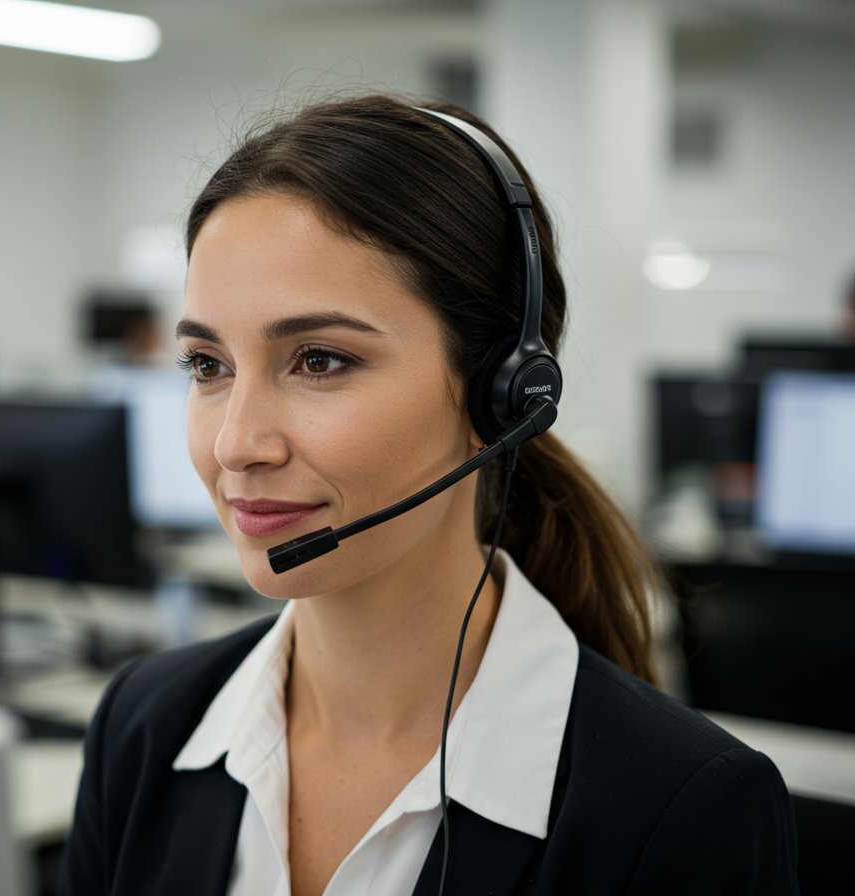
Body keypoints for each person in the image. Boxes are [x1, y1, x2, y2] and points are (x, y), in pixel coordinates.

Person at [59, 95, 799, 895]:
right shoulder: (143, 725)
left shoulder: (683, 808)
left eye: (319, 360)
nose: (237, 445)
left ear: (500, 399)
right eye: (209, 366)